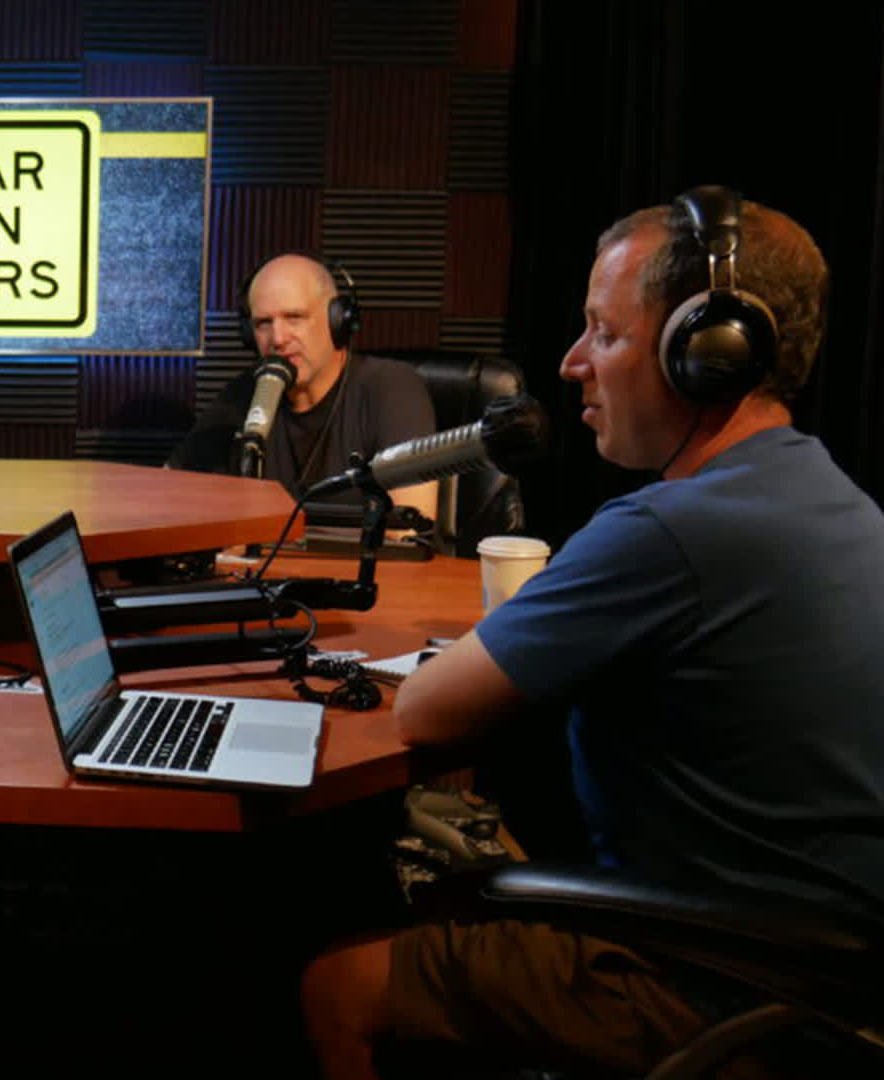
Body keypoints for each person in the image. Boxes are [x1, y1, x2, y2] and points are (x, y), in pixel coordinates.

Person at [299, 191, 884, 1077]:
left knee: (337, 986)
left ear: (707, 356)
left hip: (726, 976)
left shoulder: (671, 529)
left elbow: (423, 711)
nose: (572, 363)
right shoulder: (834, 496)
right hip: (838, 960)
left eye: (605, 333)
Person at [167, 253, 439, 523]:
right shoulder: (243, 397)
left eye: (294, 317)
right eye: (264, 323)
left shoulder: (391, 389)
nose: (278, 338)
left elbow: (409, 532)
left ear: (337, 320)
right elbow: (165, 496)